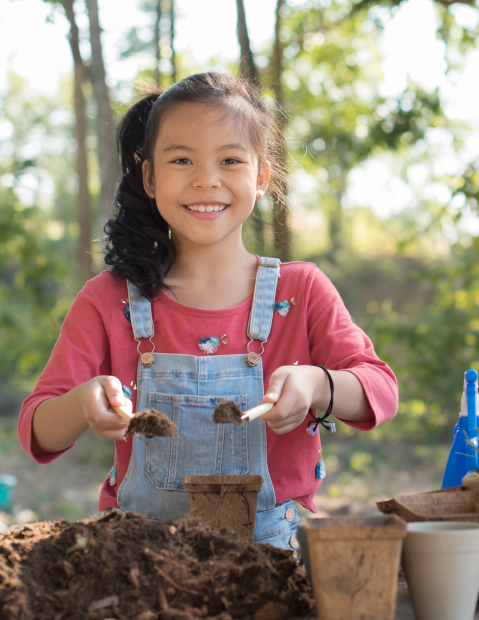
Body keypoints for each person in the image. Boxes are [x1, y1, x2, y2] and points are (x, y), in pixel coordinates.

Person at [18, 72, 398, 551]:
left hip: (269, 563)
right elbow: (37, 431)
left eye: (230, 160)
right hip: (140, 565)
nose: (206, 179)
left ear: (261, 176)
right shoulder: (107, 299)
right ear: (150, 177)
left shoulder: (301, 291)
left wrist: (318, 384)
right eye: (182, 160)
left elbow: (380, 390)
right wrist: (81, 404)